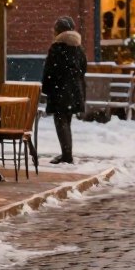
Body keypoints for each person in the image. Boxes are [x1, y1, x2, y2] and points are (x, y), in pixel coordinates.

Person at [41, 16, 87, 165]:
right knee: (67, 121)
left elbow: (49, 71)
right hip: (74, 90)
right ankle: (67, 153)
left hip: (60, 90)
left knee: (61, 122)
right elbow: (83, 69)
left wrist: (47, 87)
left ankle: (67, 156)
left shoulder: (57, 47)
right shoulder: (78, 48)